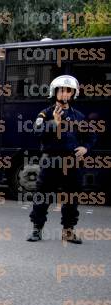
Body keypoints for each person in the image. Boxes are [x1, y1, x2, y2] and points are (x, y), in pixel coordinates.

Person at [26, 75, 96, 244]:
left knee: (72, 198)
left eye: (68, 91)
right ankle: (37, 230)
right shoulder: (45, 113)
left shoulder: (79, 116)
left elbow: (91, 136)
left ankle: (68, 231)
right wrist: (54, 124)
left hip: (71, 162)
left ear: (73, 94)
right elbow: (37, 132)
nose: (65, 94)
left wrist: (86, 147)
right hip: (50, 161)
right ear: (55, 92)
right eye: (62, 90)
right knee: (43, 196)